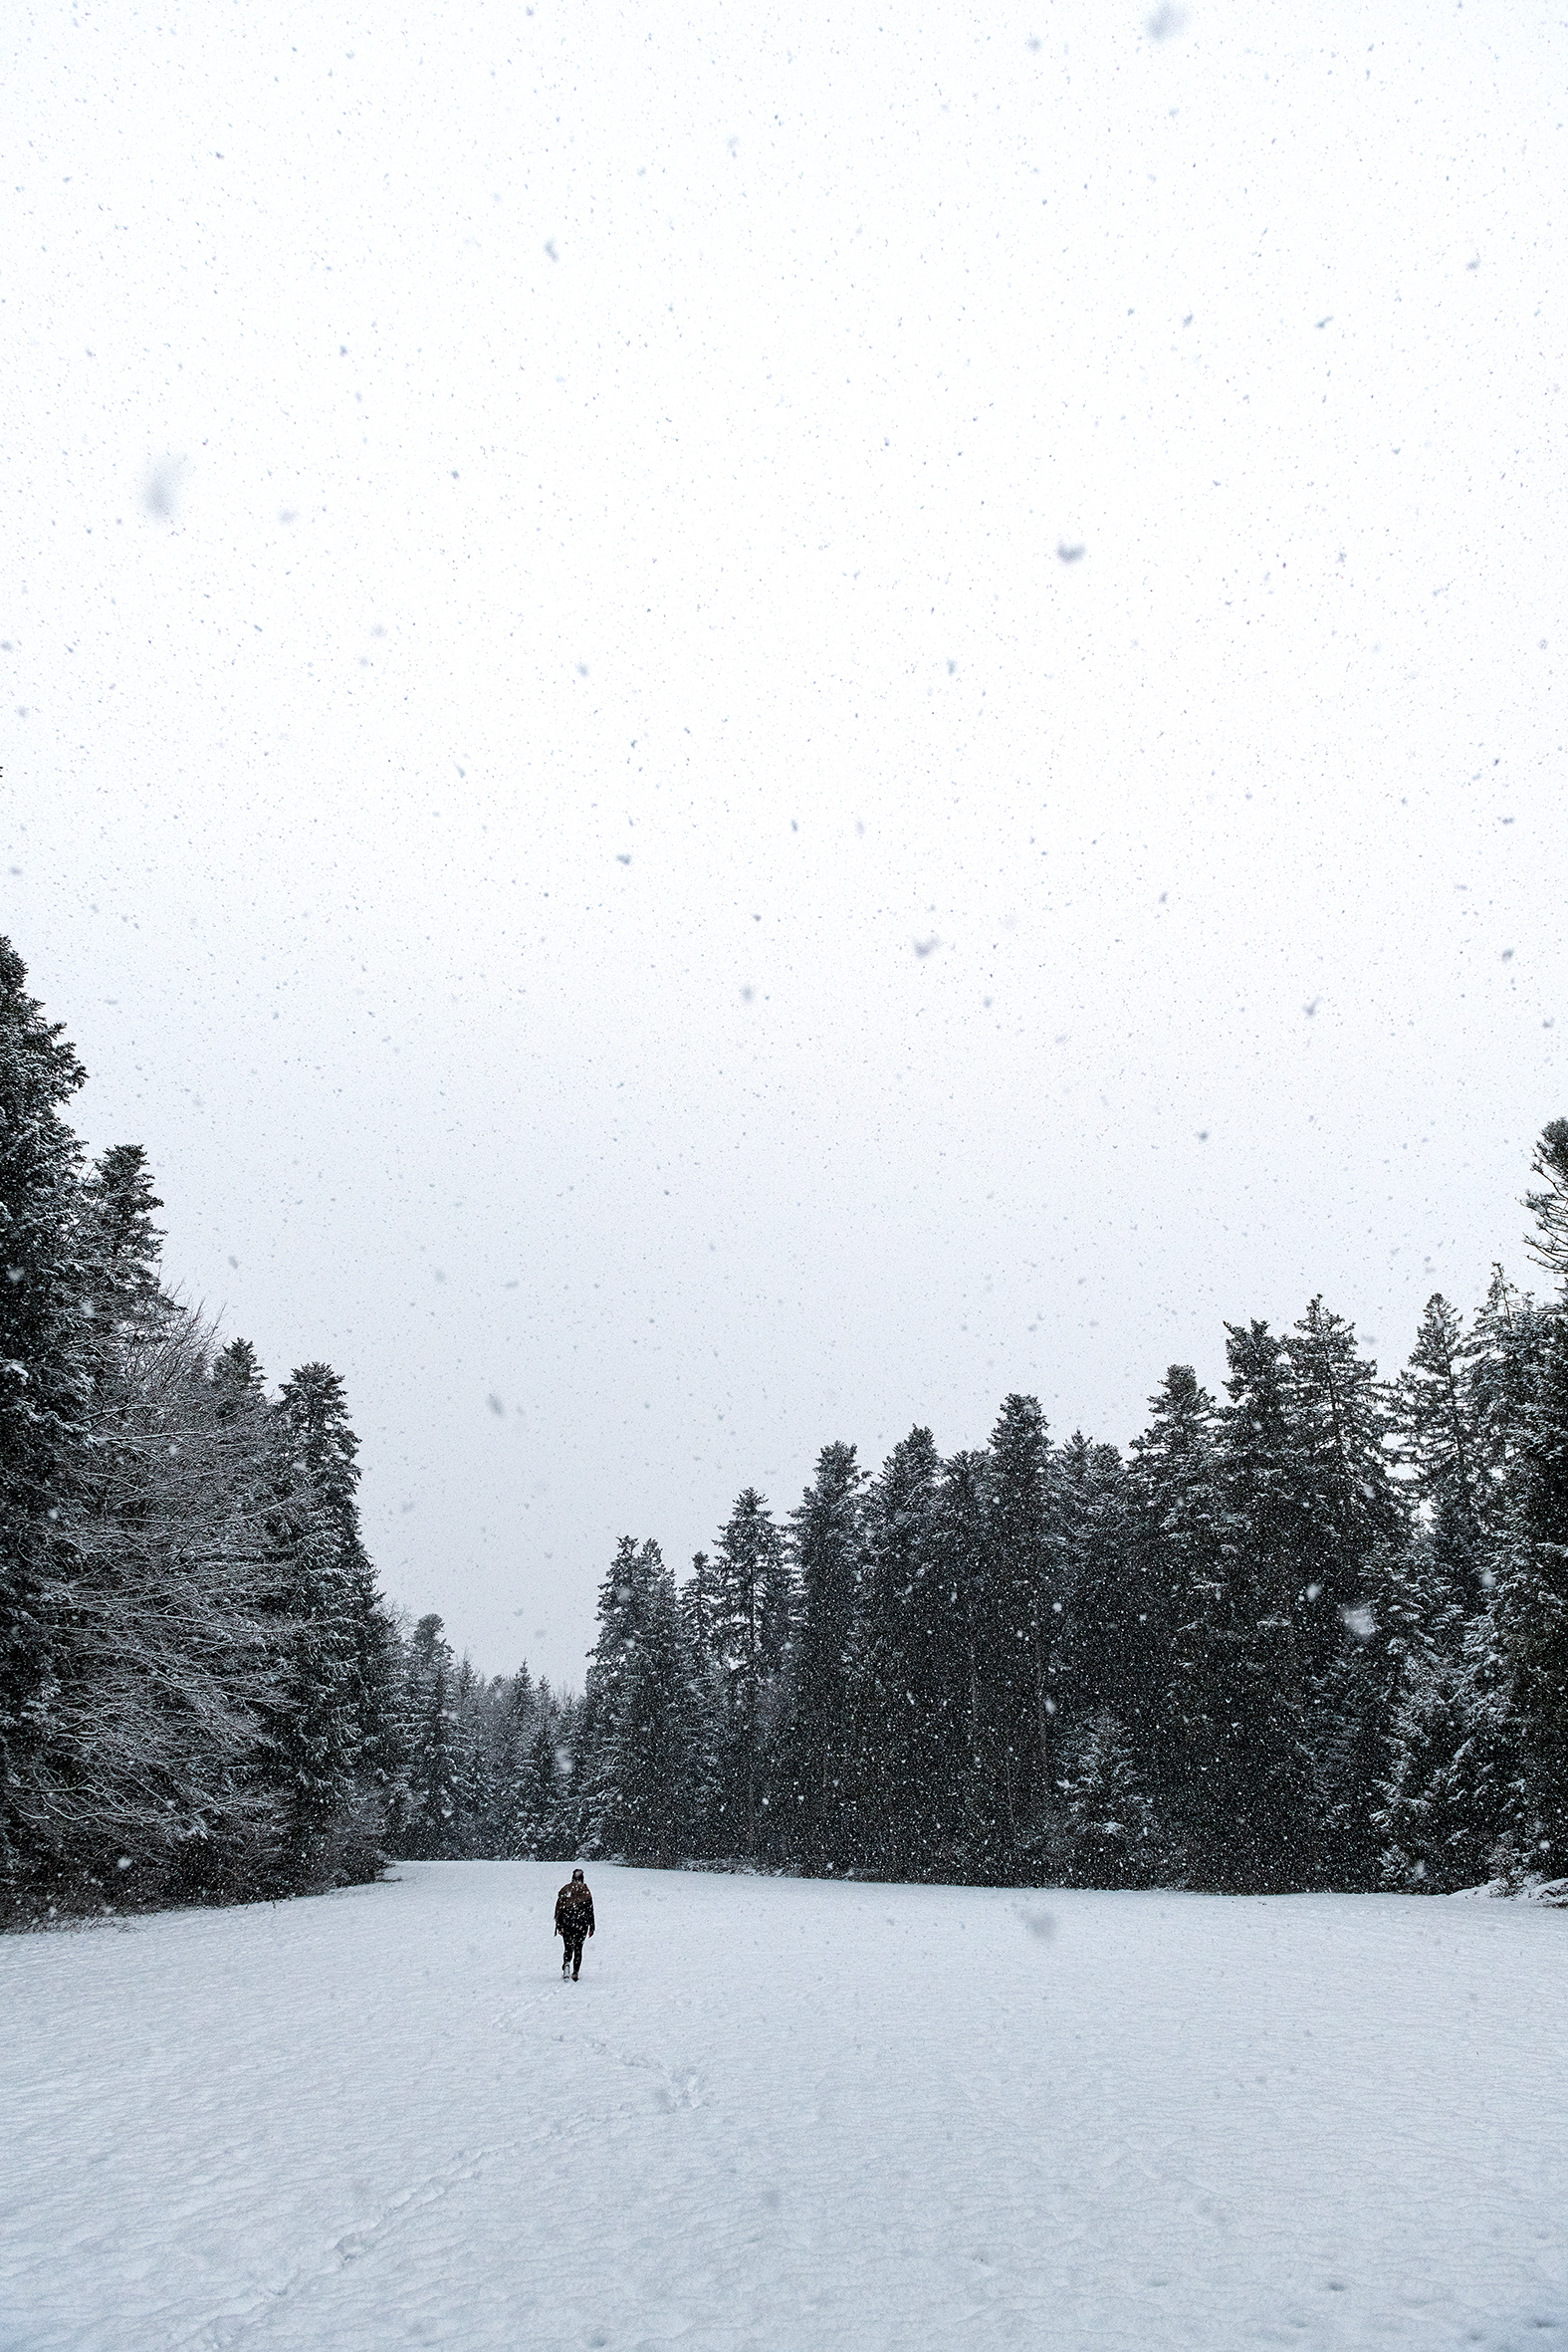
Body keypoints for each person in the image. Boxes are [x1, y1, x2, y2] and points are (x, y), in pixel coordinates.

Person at [555, 1867, 595, 1980]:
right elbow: (590, 1910)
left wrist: (559, 1925)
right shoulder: (585, 1891)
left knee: (568, 1947)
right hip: (582, 1924)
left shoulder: (566, 1890)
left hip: (567, 1923)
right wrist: (592, 1927)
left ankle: (567, 1964)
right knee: (578, 1948)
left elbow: (560, 1909)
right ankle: (575, 1971)